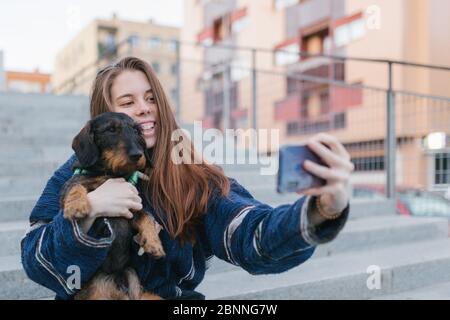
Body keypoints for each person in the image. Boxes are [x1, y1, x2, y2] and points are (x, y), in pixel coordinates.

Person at [21, 57, 354, 300]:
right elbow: (37, 260)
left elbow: (250, 234)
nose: (144, 108)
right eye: (127, 102)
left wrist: (322, 209)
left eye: (151, 98)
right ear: (104, 118)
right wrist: (90, 210)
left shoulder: (193, 176)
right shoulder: (75, 173)